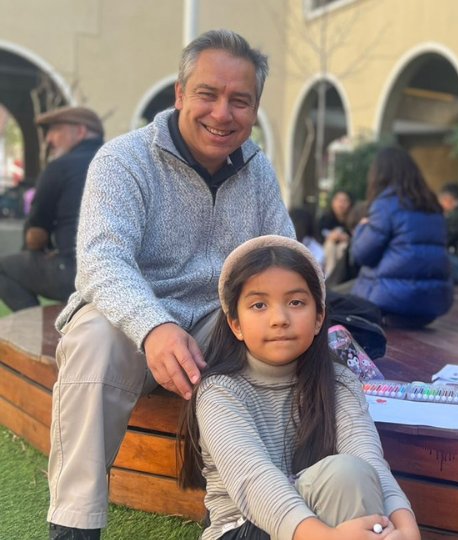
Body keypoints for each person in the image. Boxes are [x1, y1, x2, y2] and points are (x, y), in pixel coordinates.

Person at [47, 30, 295, 540]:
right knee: (93, 340)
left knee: (263, 338)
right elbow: (101, 260)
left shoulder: (259, 171)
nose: (222, 113)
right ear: (180, 94)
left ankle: (237, 517)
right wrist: (154, 326)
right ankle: (74, 524)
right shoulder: (123, 159)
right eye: (208, 93)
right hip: (129, 317)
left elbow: (284, 257)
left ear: (254, 110)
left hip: (215, 320)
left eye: (240, 100)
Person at [178, 235, 420, 540]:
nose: (279, 319)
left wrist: (407, 528)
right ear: (235, 324)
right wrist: (329, 538)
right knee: (345, 474)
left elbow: (370, 462)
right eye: (259, 305)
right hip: (245, 528)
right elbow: (256, 483)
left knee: (351, 473)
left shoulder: (339, 382)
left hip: (323, 521)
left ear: (319, 318)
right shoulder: (219, 392)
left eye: (296, 302)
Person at [0, 106, 103, 311]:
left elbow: (37, 230)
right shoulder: (119, 162)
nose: (48, 139)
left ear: (80, 131)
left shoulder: (61, 166)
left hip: (75, 272)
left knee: (3, 268)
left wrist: (34, 253)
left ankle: (35, 324)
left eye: (55, 130)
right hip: (120, 273)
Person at [350, 147, 452, 328]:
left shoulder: (385, 204)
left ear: (380, 174)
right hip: (431, 305)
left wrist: (361, 228)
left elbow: (362, 254)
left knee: (334, 300)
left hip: (390, 304)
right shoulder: (432, 205)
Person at [317, 190, 353, 276]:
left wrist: (347, 237)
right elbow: (319, 235)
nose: (341, 204)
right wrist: (330, 236)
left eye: (345, 201)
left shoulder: (352, 218)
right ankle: (330, 275)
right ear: (333, 202)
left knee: (343, 247)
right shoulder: (325, 219)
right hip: (327, 248)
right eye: (339, 200)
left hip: (345, 248)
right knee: (330, 245)